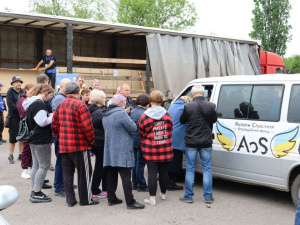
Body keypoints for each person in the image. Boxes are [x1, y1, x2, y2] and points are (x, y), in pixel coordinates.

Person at [52, 82, 98, 207]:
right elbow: (87, 126)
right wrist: (91, 140)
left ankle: (70, 200)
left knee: (67, 174)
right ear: (78, 92)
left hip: (64, 145)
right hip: (79, 146)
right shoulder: (80, 105)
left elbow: (54, 126)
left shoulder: (60, 105)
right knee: (84, 174)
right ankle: (85, 199)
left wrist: (60, 138)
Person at [102, 94, 145, 210]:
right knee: (126, 177)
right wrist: (128, 115)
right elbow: (133, 128)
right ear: (122, 103)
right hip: (122, 149)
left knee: (111, 175)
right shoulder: (121, 113)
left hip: (110, 148)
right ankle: (130, 202)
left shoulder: (105, 113)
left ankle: (111, 198)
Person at [179, 85, 217, 204]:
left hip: (191, 141)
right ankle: (208, 197)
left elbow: (182, 121)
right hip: (206, 141)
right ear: (203, 94)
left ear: (193, 94)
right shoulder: (211, 105)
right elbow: (214, 120)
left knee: (190, 168)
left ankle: (188, 196)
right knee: (207, 168)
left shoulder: (188, 105)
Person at [138, 90, 173, 206]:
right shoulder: (167, 114)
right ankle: (163, 193)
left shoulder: (144, 115)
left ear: (150, 101)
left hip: (150, 148)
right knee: (164, 172)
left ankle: (152, 198)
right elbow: (170, 129)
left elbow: (140, 131)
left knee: (152, 172)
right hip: (165, 147)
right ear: (162, 101)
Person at [22, 84, 54, 203]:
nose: (49, 98)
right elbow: (42, 122)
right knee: (43, 165)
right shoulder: (39, 104)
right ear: (45, 93)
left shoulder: (30, 103)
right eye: (50, 95)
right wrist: (54, 116)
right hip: (41, 139)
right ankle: (37, 192)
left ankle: (34, 189)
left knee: (36, 165)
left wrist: (49, 116)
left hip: (33, 139)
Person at [51, 78, 71, 197]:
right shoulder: (59, 99)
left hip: (61, 134)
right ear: (62, 87)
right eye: (67, 86)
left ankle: (63, 183)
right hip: (60, 135)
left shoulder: (62, 98)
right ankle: (59, 187)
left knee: (64, 160)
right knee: (61, 160)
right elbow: (57, 119)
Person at [167, 96, 191, 191]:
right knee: (176, 159)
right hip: (179, 135)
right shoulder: (185, 107)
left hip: (171, 133)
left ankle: (169, 180)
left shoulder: (172, 106)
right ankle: (171, 183)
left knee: (171, 159)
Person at [88, 90, 107, 198]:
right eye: (104, 98)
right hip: (100, 140)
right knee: (100, 166)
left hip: (93, 140)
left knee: (99, 165)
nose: (105, 100)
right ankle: (95, 189)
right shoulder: (100, 112)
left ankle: (98, 188)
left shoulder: (88, 109)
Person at [130, 94, 150, 192]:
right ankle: (141, 184)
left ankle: (134, 183)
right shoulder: (144, 113)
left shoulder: (133, 111)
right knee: (140, 163)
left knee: (135, 163)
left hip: (133, 139)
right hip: (141, 140)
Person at [17, 83, 35, 179]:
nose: (33, 92)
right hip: (27, 128)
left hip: (32, 127)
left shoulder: (31, 99)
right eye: (31, 90)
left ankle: (31, 168)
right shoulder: (22, 100)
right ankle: (24, 169)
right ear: (26, 90)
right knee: (26, 149)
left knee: (32, 150)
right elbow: (23, 113)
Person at [6, 76, 24, 164]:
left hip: (22, 117)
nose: (18, 83)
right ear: (12, 83)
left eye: (20, 82)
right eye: (16, 82)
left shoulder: (22, 91)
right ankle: (10, 155)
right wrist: (21, 109)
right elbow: (11, 105)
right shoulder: (10, 92)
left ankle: (21, 154)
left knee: (22, 137)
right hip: (13, 117)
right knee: (12, 138)